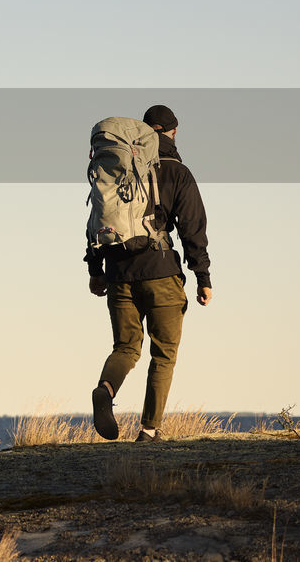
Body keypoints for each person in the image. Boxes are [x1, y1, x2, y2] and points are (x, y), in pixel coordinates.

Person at [87, 105, 212, 442]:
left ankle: (106, 389)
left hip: (117, 271)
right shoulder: (175, 170)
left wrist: (95, 270)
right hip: (160, 273)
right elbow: (192, 229)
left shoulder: (116, 168)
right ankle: (148, 430)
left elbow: (96, 219)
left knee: (126, 347)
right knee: (163, 353)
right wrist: (202, 277)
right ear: (171, 132)